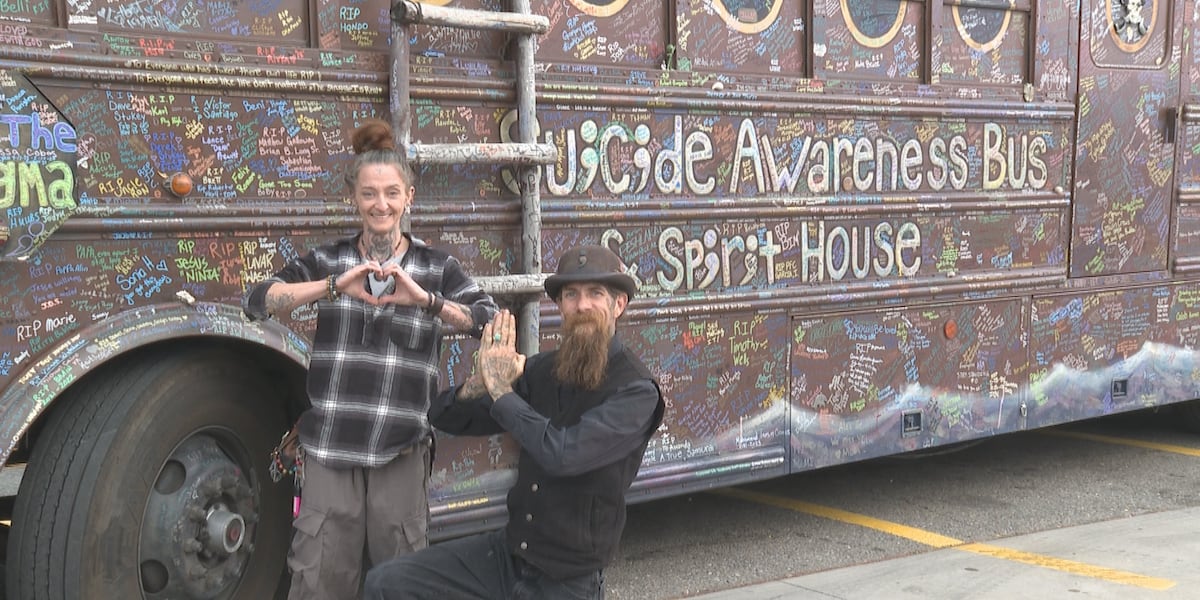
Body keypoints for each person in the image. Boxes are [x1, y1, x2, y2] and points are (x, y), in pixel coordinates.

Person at [242, 119, 498, 600]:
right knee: (319, 581)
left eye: (391, 193)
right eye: (369, 194)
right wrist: (334, 286)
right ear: (353, 199)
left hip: (400, 450)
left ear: (409, 198)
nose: (381, 204)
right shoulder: (329, 261)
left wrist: (427, 301)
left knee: (402, 582)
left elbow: (487, 319)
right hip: (331, 450)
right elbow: (259, 300)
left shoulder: (436, 267)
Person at [364, 244, 666, 600]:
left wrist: (502, 392)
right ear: (560, 306)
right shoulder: (544, 370)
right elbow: (445, 417)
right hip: (510, 556)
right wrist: (477, 386)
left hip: (566, 580)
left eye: (595, 294)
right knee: (386, 584)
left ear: (619, 305)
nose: (582, 305)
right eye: (571, 294)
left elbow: (564, 454)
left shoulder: (636, 391)